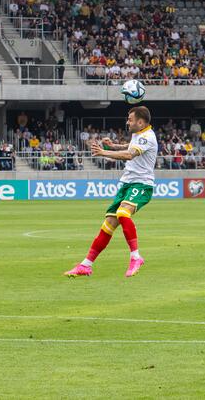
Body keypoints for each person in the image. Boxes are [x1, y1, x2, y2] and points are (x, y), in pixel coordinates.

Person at [64, 106, 157, 278]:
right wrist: (114, 145)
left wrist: (103, 152)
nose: (127, 122)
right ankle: (86, 265)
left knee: (123, 212)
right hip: (127, 184)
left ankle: (136, 257)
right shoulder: (139, 134)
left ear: (141, 122)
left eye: (130, 119)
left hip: (141, 184)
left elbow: (129, 154)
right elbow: (130, 145)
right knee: (108, 225)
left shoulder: (147, 136)